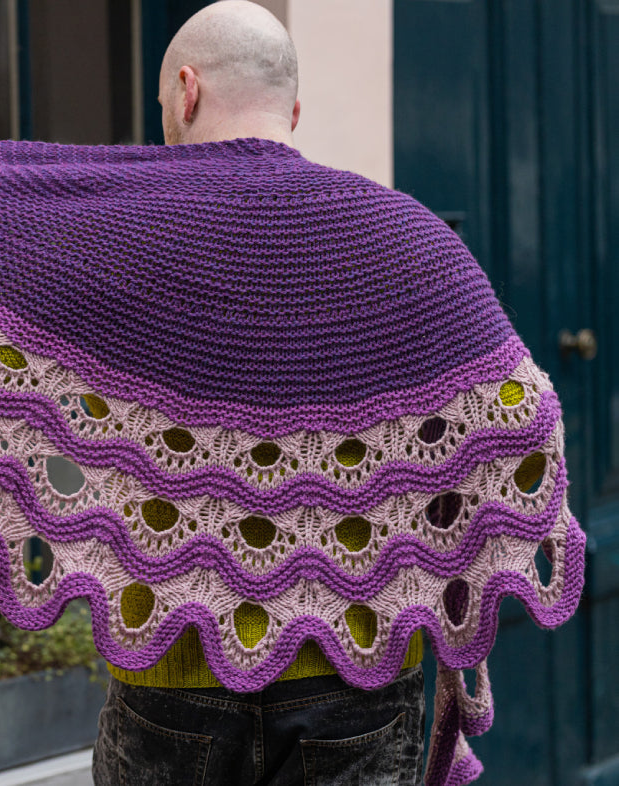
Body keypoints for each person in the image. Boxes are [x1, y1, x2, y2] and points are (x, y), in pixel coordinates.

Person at [92, 3, 426, 784]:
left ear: (186, 89)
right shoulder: (410, 242)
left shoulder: (119, 235)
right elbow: (520, 414)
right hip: (359, 668)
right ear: (294, 109)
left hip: (173, 671)